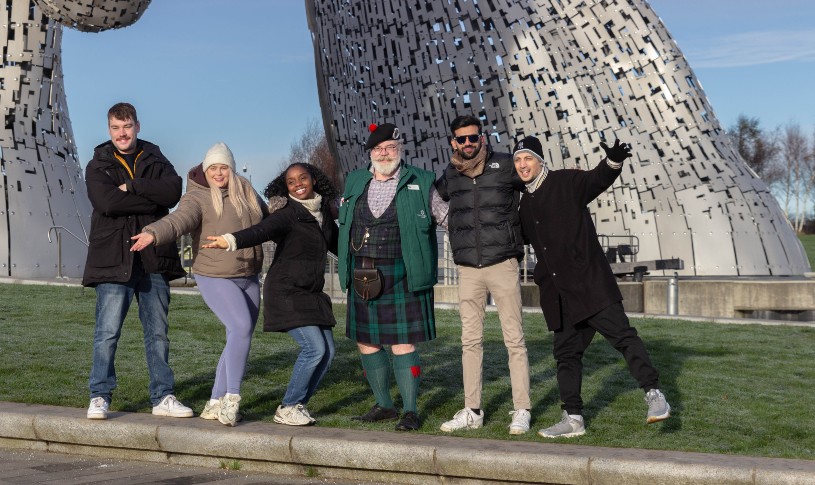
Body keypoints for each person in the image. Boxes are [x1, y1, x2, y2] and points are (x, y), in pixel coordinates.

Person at [512, 135, 671, 438]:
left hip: (591, 285)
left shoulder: (566, 182)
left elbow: (597, 179)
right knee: (567, 356)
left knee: (624, 337)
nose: (522, 165)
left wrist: (613, 161)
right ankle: (573, 418)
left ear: (540, 161)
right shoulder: (524, 206)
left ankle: (654, 395)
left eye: (528, 158)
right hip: (560, 296)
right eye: (518, 160)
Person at [130, 142, 266, 426]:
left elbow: (269, 221)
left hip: (249, 274)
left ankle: (214, 401)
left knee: (237, 336)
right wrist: (154, 232)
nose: (218, 173)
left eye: (223, 167)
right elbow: (180, 219)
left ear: (231, 167)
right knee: (240, 327)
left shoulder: (246, 190)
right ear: (206, 170)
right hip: (214, 274)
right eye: (213, 168)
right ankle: (232, 398)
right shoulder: (197, 196)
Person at [203, 162, 339, 427]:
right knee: (314, 348)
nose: (298, 184)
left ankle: (297, 404)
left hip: (311, 292)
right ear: (285, 187)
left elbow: (339, 245)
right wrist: (229, 240)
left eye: (303, 178)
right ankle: (287, 406)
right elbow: (260, 231)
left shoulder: (322, 214)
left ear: (314, 180)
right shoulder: (288, 213)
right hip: (286, 291)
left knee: (329, 352)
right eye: (291, 181)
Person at [82, 102, 192, 420]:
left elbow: (172, 192)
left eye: (126, 126)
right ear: (109, 130)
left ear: (137, 126)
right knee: (107, 332)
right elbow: (105, 202)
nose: (122, 133)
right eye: (116, 128)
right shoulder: (98, 163)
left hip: (153, 258)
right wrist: (149, 199)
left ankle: (163, 397)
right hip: (113, 258)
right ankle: (99, 396)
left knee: (157, 333)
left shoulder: (155, 158)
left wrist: (132, 186)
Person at [337, 122, 448, 431]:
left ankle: (410, 410)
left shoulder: (421, 180)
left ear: (400, 150)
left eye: (389, 148)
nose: (383, 153)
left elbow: (445, 216)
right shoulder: (355, 181)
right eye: (377, 149)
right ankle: (384, 404)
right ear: (370, 153)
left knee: (402, 343)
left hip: (403, 271)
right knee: (367, 342)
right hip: (363, 271)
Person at [435, 115, 532, 435]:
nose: (467, 144)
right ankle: (472, 409)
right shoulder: (450, 173)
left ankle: (521, 409)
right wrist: (446, 225)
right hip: (468, 268)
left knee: (514, 340)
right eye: (461, 139)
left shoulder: (505, 165)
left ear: (483, 139)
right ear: (453, 142)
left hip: (502, 263)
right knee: (470, 342)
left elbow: (536, 183)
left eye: (472, 138)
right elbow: (434, 199)